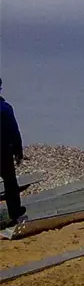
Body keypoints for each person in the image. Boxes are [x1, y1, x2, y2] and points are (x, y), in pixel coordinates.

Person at [0, 78, 27, 225]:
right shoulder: (5, 108)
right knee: (10, 184)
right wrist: (18, 151)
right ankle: (15, 213)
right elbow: (14, 131)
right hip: (3, 152)